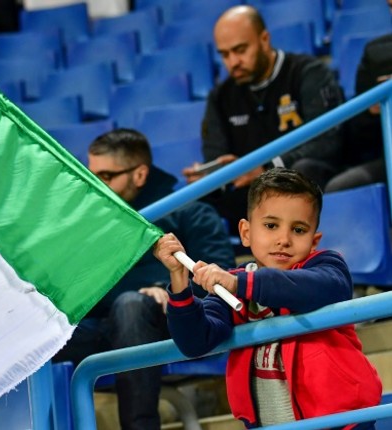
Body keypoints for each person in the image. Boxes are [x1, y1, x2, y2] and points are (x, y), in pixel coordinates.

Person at [154, 168, 382, 428]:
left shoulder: (326, 266)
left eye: (298, 230)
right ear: (246, 232)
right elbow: (195, 342)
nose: (283, 239)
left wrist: (239, 283)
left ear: (314, 240)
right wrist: (179, 281)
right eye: (271, 225)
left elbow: (317, 288)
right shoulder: (231, 288)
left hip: (343, 422)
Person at [53, 129, 235, 430]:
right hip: (105, 328)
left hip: (172, 326)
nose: (95, 185)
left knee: (131, 305)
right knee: (35, 327)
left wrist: (171, 289)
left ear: (139, 174)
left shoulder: (191, 211)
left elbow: (220, 282)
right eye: (91, 174)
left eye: (107, 176)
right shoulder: (92, 224)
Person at [183, 5, 344, 234]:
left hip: (308, 182)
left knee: (303, 170)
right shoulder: (220, 96)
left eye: (240, 50)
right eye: (225, 54)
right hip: (252, 196)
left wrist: (266, 168)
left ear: (265, 39)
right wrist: (213, 172)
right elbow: (215, 154)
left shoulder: (307, 72)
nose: (233, 62)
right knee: (191, 203)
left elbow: (328, 140)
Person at [325, 1, 392, 192]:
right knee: (341, 187)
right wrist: (371, 114)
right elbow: (358, 136)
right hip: (388, 159)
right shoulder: (377, 53)